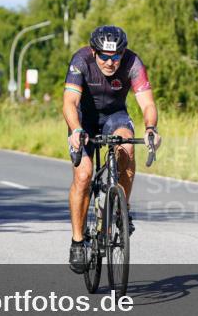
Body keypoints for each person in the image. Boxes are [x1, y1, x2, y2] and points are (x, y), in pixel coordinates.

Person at [63, 25, 160, 273]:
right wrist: (75, 129)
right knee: (84, 175)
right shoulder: (81, 60)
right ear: (94, 52)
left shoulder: (133, 63)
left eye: (115, 56)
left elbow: (147, 103)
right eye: (104, 56)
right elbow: (70, 102)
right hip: (83, 119)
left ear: (123, 52)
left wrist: (151, 128)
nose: (110, 62)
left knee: (126, 146)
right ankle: (77, 241)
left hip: (115, 116)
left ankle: (121, 208)